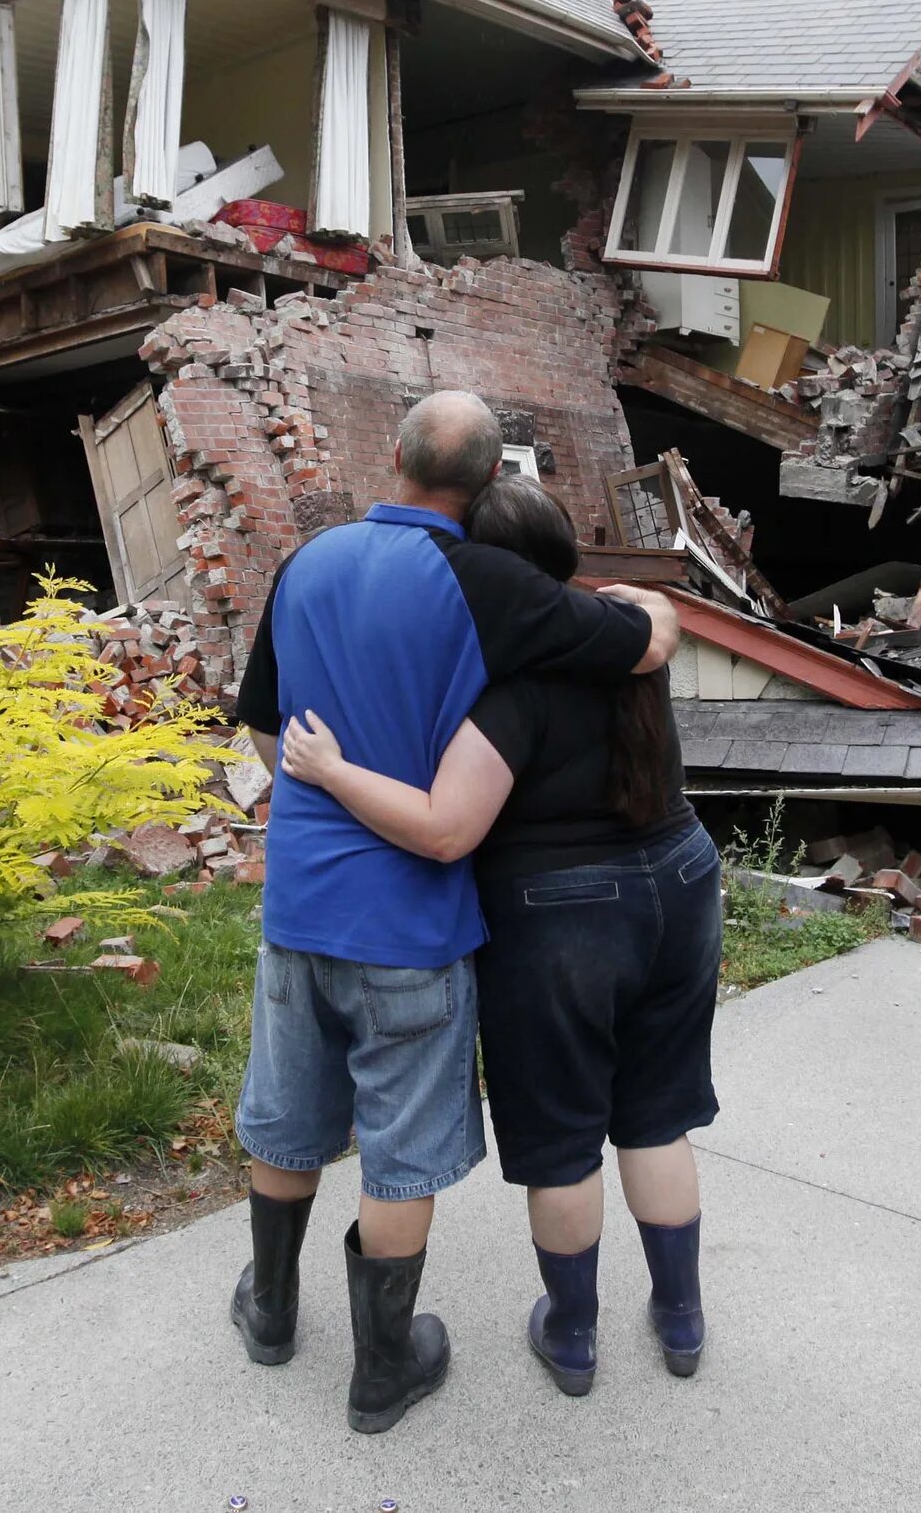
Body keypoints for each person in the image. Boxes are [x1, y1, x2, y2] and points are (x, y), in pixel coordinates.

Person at [228, 393, 676, 1434]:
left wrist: (318, 800)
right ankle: (384, 1370)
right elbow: (634, 648)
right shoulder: (490, 583)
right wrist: (658, 612)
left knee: (288, 1115)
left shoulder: (309, 561)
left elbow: (259, 727)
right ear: (487, 484)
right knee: (394, 1152)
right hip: (412, 925)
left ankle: (270, 1310)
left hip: (299, 905)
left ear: (393, 457)